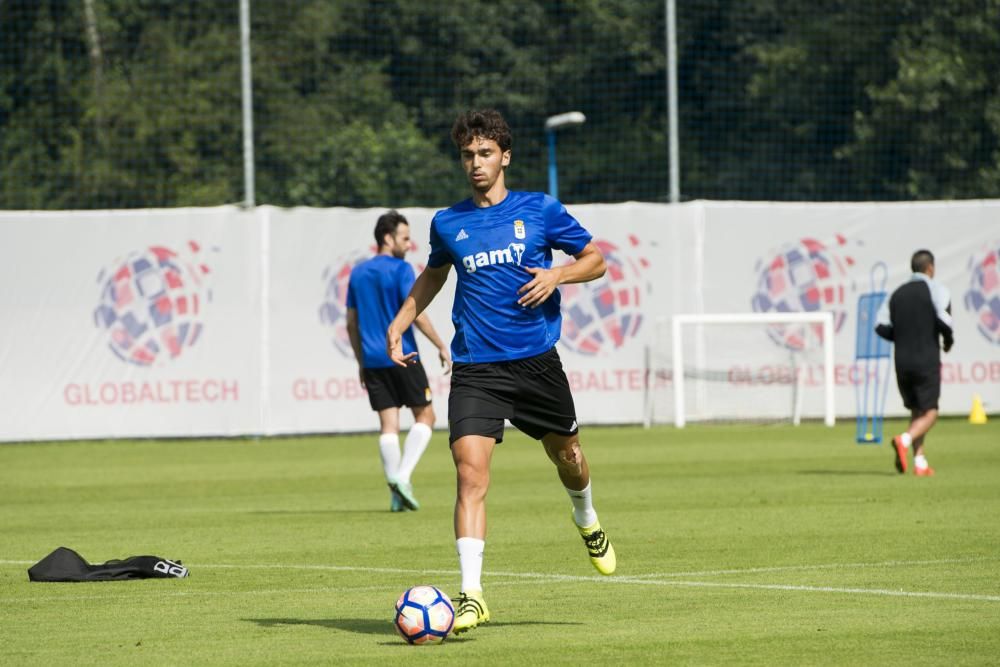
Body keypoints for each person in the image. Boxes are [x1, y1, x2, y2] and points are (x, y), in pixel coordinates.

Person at [386, 109, 617, 634]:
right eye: (467, 155)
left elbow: (596, 259)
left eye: (485, 153)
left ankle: (586, 517)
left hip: (536, 364)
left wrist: (558, 273)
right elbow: (432, 276)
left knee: (570, 459)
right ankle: (472, 595)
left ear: (505, 156)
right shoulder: (448, 222)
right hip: (477, 368)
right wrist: (401, 323)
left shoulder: (539, 210)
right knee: (469, 472)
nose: (475, 163)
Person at [346, 210, 451, 512]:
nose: (409, 244)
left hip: (373, 361)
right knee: (426, 416)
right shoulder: (402, 270)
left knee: (388, 425)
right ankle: (402, 478)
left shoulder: (358, 273)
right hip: (402, 354)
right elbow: (415, 313)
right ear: (388, 238)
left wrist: (361, 362)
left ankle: (395, 492)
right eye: (405, 238)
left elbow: (351, 324)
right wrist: (441, 345)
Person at [874, 249, 953, 477]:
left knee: (917, 411)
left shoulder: (896, 294)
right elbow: (945, 321)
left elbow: (880, 326)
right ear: (930, 268)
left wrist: (901, 336)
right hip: (925, 358)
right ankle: (904, 439)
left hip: (902, 361)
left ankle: (920, 463)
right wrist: (947, 341)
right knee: (931, 412)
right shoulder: (936, 289)